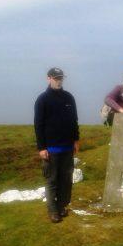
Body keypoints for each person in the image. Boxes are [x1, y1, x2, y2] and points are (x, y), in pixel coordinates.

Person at [34, 67, 80, 223]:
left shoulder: (69, 98)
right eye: (55, 78)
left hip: (68, 147)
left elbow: (74, 121)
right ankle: (53, 211)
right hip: (51, 149)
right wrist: (41, 148)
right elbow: (38, 125)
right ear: (48, 78)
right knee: (52, 180)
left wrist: (76, 140)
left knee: (66, 180)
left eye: (61, 78)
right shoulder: (42, 99)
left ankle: (61, 206)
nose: (59, 80)